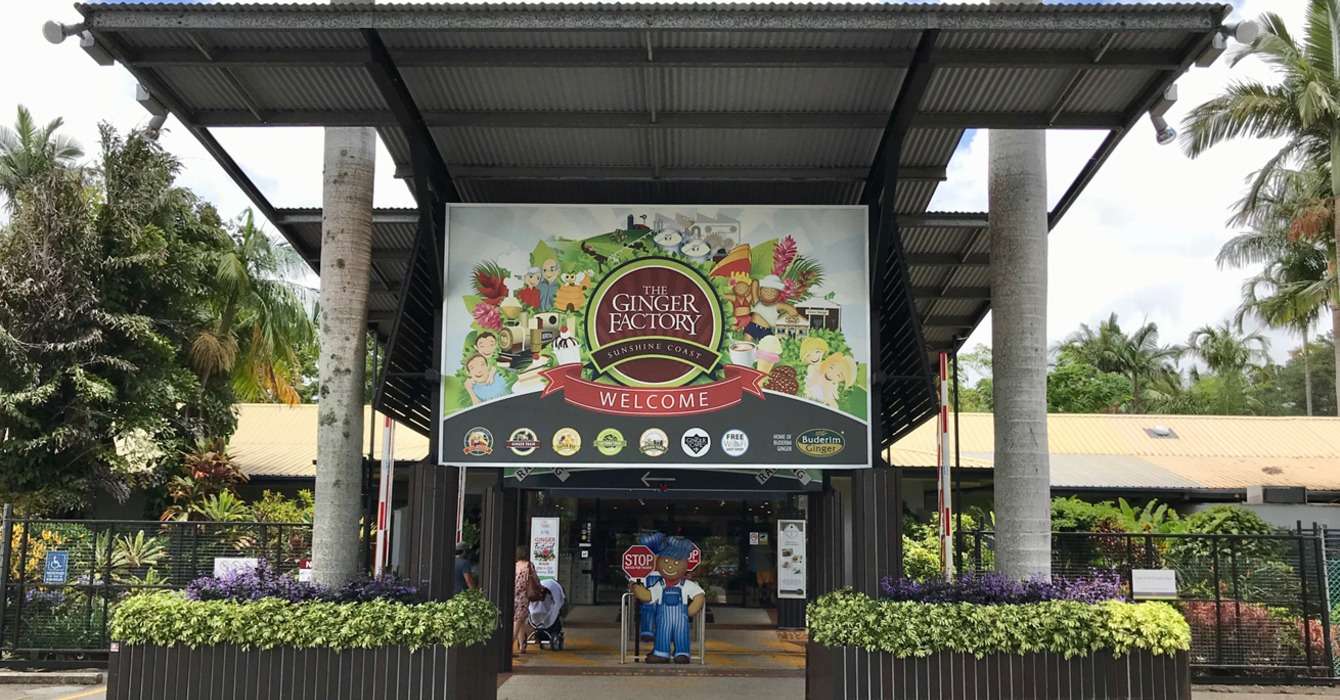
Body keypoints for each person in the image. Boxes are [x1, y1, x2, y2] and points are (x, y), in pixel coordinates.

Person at [513, 544, 541, 655]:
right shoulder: (529, 565)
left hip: (514, 595)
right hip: (523, 596)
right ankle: (510, 646)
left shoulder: (515, 565)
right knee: (518, 620)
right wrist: (540, 588)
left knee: (520, 620)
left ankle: (522, 646)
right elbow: (535, 580)